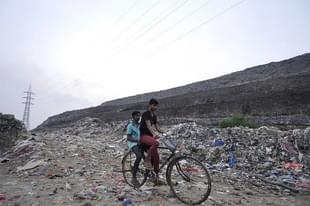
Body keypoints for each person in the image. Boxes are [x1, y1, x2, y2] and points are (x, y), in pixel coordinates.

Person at [139, 98, 165, 185]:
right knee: (156, 143)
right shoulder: (146, 114)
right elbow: (149, 126)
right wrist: (154, 134)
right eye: (154, 105)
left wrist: (165, 132)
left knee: (157, 158)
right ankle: (146, 160)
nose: (155, 107)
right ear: (150, 105)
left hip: (150, 137)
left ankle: (155, 179)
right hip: (143, 136)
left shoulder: (154, 115)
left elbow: (157, 127)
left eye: (156, 106)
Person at [126, 110, 144, 187]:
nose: (138, 117)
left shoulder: (140, 125)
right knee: (139, 156)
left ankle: (151, 174)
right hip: (133, 143)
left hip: (140, 142)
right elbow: (128, 137)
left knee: (148, 156)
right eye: (137, 116)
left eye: (139, 115)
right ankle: (133, 176)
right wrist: (137, 140)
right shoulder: (130, 126)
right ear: (133, 117)